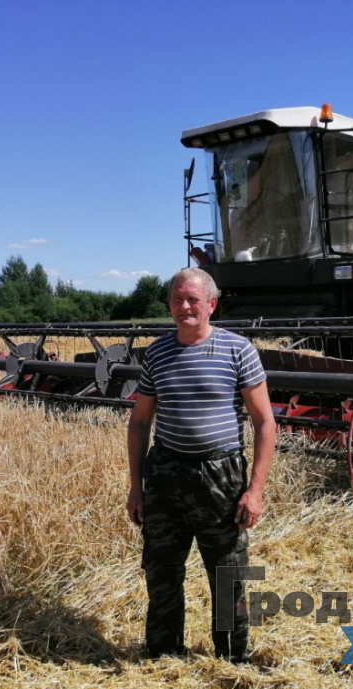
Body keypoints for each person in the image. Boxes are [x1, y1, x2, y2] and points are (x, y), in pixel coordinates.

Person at [126, 267, 275, 663]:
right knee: (162, 574)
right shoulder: (156, 353)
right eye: (177, 299)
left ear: (212, 304)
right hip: (165, 475)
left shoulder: (237, 350)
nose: (184, 306)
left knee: (228, 576)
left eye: (192, 299)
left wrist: (255, 490)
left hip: (220, 479)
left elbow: (264, 422)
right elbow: (140, 421)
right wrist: (136, 486)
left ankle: (231, 660)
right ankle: (164, 656)